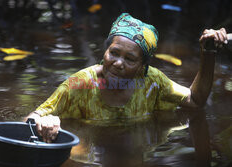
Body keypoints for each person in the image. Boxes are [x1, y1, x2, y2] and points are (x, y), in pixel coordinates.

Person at [25, 13, 228, 143]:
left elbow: (195, 101)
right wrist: (43, 123)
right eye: (114, 53)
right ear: (105, 52)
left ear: (142, 68)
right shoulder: (80, 84)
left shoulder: (152, 82)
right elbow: (30, 118)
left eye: (130, 59)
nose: (118, 63)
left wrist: (207, 53)